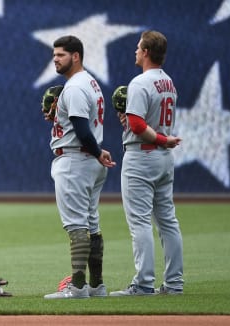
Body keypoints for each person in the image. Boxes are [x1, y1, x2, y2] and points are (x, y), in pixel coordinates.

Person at [110, 30, 184, 296]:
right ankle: (174, 284)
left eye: (139, 47)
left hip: (143, 156)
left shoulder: (140, 83)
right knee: (167, 221)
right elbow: (139, 121)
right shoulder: (169, 83)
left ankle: (143, 284)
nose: (135, 51)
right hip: (163, 160)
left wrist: (161, 139)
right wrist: (160, 139)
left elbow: (138, 124)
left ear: (147, 53)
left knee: (140, 222)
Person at [43, 35, 116, 299]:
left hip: (76, 159)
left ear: (76, 56)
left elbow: (82, 130)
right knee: (92, 225)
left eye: (61, 55)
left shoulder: (74, 87)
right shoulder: (91, 82)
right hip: (88, 161)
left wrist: (97, 153)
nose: (55, 59)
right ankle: (97, 286)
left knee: (76, 226)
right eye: (54, 55)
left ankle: (77, 287)